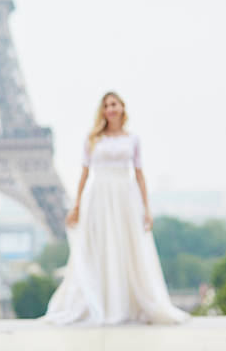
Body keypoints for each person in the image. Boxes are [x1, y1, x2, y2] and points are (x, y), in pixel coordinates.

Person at [40, 91, 190, 326]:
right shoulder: (92, 139)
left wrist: (146, 207)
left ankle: (125, 303)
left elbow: (139, 174)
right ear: (103, 111)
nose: (110, 109)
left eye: (114, 104)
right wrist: (76, 205)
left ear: (122, 108)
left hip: (124, 197)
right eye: (106, 105)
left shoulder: (133, 139)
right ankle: (105, 304)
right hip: (99, 197)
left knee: (126, 247)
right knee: (101, 248)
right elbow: (84, 174)